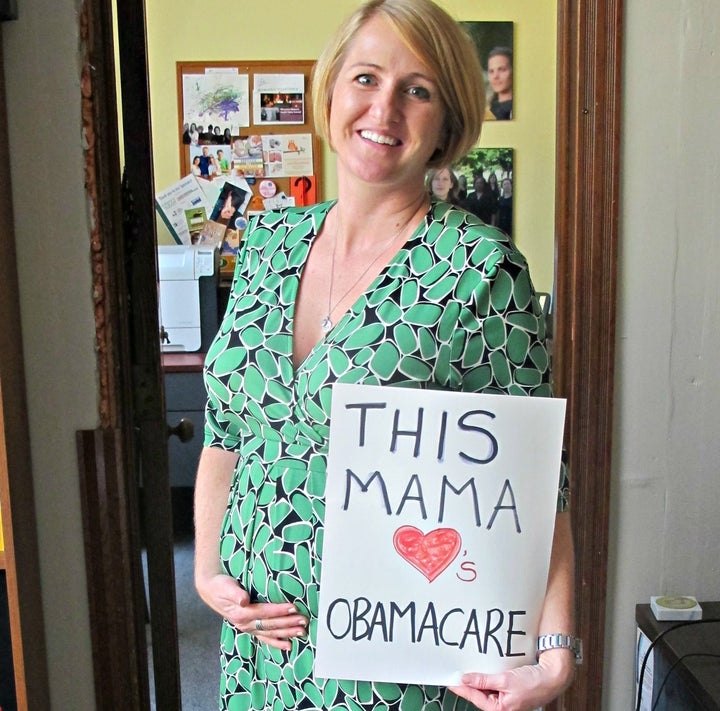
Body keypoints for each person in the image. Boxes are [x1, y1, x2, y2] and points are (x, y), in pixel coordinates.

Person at [195, 2, 576, 711]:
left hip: (391, 667)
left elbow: (532, 485)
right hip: (258, 652)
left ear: (447, 121)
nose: (385, 107)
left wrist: (555, 657)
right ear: (333, 89)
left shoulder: (477, 270)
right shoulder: (269, 242)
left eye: (418, 89)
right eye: (366, 77)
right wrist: (207, 568)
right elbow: (228, 431)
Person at [486, 47, 513, 120]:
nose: (495, 76)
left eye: (502, 70)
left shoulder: (519, 109)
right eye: (491, 71)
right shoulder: (486, 110)